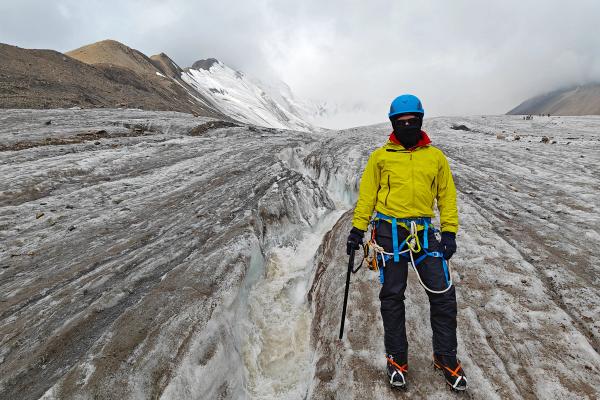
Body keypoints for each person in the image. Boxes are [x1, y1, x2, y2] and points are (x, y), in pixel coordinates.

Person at [346, 94, 467, 391]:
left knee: (442, 295)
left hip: (425, 234)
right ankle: (397, 359)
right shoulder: (381, 156)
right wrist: (357, 229)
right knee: (392, 297)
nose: (407, 126)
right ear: (393, 124)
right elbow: (367, 197)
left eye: (413, 121)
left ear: (421, 121)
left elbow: (446, 196)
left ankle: (446, 357)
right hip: (389, 233)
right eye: (401, 122)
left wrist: (449, 232)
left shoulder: (435, 157)